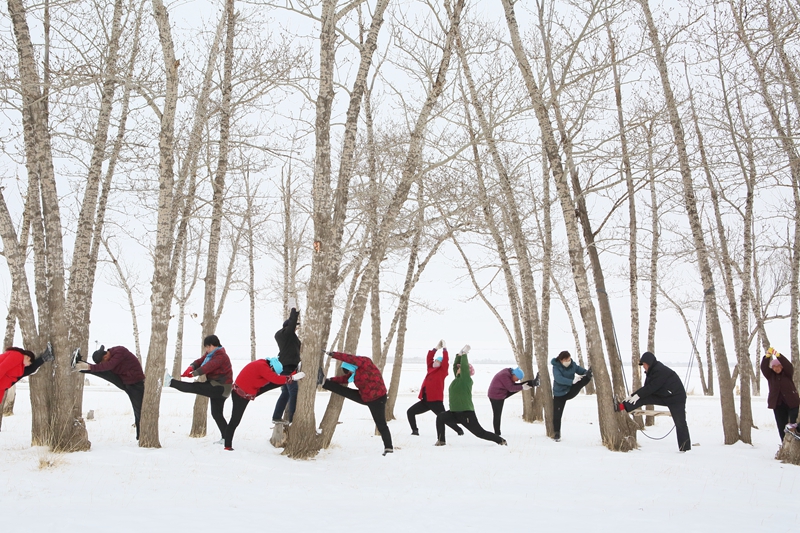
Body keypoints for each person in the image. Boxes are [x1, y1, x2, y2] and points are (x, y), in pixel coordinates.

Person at [321, 351, 394, 455]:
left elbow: (349, 358)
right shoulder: (355, 375)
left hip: (378, 400)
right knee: (345, 391)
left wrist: (333, 354)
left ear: (352, 365)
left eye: (350, 370)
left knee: (381, 424)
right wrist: (330, 379)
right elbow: (344, 379)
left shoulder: (365, 362)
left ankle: (389, 448)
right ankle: (323, 382)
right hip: (365, 398)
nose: (350, 373)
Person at [615, 351, 690, 452]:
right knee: (643, 398)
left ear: (649, 363)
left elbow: (651, 388)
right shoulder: (652, 371)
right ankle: (621, 407)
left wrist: (637, 395)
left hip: (676, 398)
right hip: (664, 395)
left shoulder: (660, 370)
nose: (643, 367)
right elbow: (646, 389)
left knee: (680, 423)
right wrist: (632, 396)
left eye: (644, 365)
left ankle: (685, 449)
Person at [224, 357, 305, 450]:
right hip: (240, 395)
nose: (273, 373)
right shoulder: (262, 367)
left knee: (278, 382)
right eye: (273, 371)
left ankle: (293, 374)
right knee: (235, 420)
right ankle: (227, 445)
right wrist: (293, 378)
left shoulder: (264, 363)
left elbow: (276, 378)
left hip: (249, 391)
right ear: (271, 366)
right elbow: (274, 378)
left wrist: (292, 376)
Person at [164, 335, 233, 442]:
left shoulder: (221, 356)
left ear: (213, 345)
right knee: (216, 414)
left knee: (194, 387)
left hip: (220, 387)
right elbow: (201, 361)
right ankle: (226, 438)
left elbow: (209, 366)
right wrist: (192, 367)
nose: (206, 349)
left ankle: (170, 382)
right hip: (219, 387)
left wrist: (194, 373)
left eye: (208, 347)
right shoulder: (211, 354)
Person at [435, 345, 506, 447]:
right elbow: (456, 366)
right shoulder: (458, 379)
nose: (458, 369)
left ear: (466, 372)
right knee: (440, 417)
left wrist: (464, 355)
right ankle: (441, 441)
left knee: (480, 433)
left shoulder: (466, 380)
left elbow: (463, 366)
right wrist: (459, 355)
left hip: (466, 414)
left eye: (461, 368)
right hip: (454, 412)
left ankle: (501, 440)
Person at [74, 345, 146, 440]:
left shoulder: (119, 351)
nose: (103, 364)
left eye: (102, 362)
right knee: (102, 371)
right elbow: (104, 367)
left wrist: (90, 366)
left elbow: (109, 365)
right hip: (125, 380)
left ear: (105, 357)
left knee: (139, 410)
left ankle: (141, 437)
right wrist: (88, 367)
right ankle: (79, 364)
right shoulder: (110, 356)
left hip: (136, 384)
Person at [406, 340, 463, 437]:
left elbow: (445, 361)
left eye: (438, 361)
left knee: (444, 418)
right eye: (435, 360)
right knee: (410, 412)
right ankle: (415, 431)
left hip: (436, 401)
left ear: (441, 364)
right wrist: (435, 349)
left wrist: (444, 349)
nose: (435, 362)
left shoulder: (442, 371)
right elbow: (429, 358)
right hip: (426, 400)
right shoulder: (430, 368)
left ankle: (459, 430)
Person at [551, 350, 592, 442]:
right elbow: (558, 379)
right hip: (559, 394)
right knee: (557, 414)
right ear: (561, 360)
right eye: (566, 360)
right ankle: (557, 433)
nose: (568, 361)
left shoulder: (573, 365)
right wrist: (571, 381)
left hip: (570, 391)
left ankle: (590, 374)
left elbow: (581, 371)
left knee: (584, 379)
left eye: (569, 359)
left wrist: (586, 373)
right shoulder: (556, 367)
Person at [760, 347, 800, 441]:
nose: (776, 368)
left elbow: (788, 365)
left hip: (792, 403)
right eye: (774, 367)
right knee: (781, 426)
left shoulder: (787, 374)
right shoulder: (770, 376)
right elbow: (763, 367)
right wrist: (767, 356)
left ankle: (796, 436)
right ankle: (784, 442)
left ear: (782, 367)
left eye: (778, 366)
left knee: (793, 423)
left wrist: (778, 355)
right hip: (778, 405)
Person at [488, 366, 540, 436]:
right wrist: (522, 387)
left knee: (520, 386)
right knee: (497, 415)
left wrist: (522, 387)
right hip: (496, 396)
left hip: (503, 391)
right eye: (517, 378)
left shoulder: (509, 373)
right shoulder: (504, 375)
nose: (517, 380)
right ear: (514, 374)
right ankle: (497, 434)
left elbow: (513, 387)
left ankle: (534, 382)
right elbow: (511, 388)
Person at [272, 300, 301, 424]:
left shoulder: (289, 337)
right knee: (293, 392)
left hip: (287, 366)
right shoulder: (285, 334)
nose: (296, 327)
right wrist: (293, 310)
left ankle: (277, 416)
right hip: (287, 367)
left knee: (286, 392)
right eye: (295, 326)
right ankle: (293, 419)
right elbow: (292, 323)